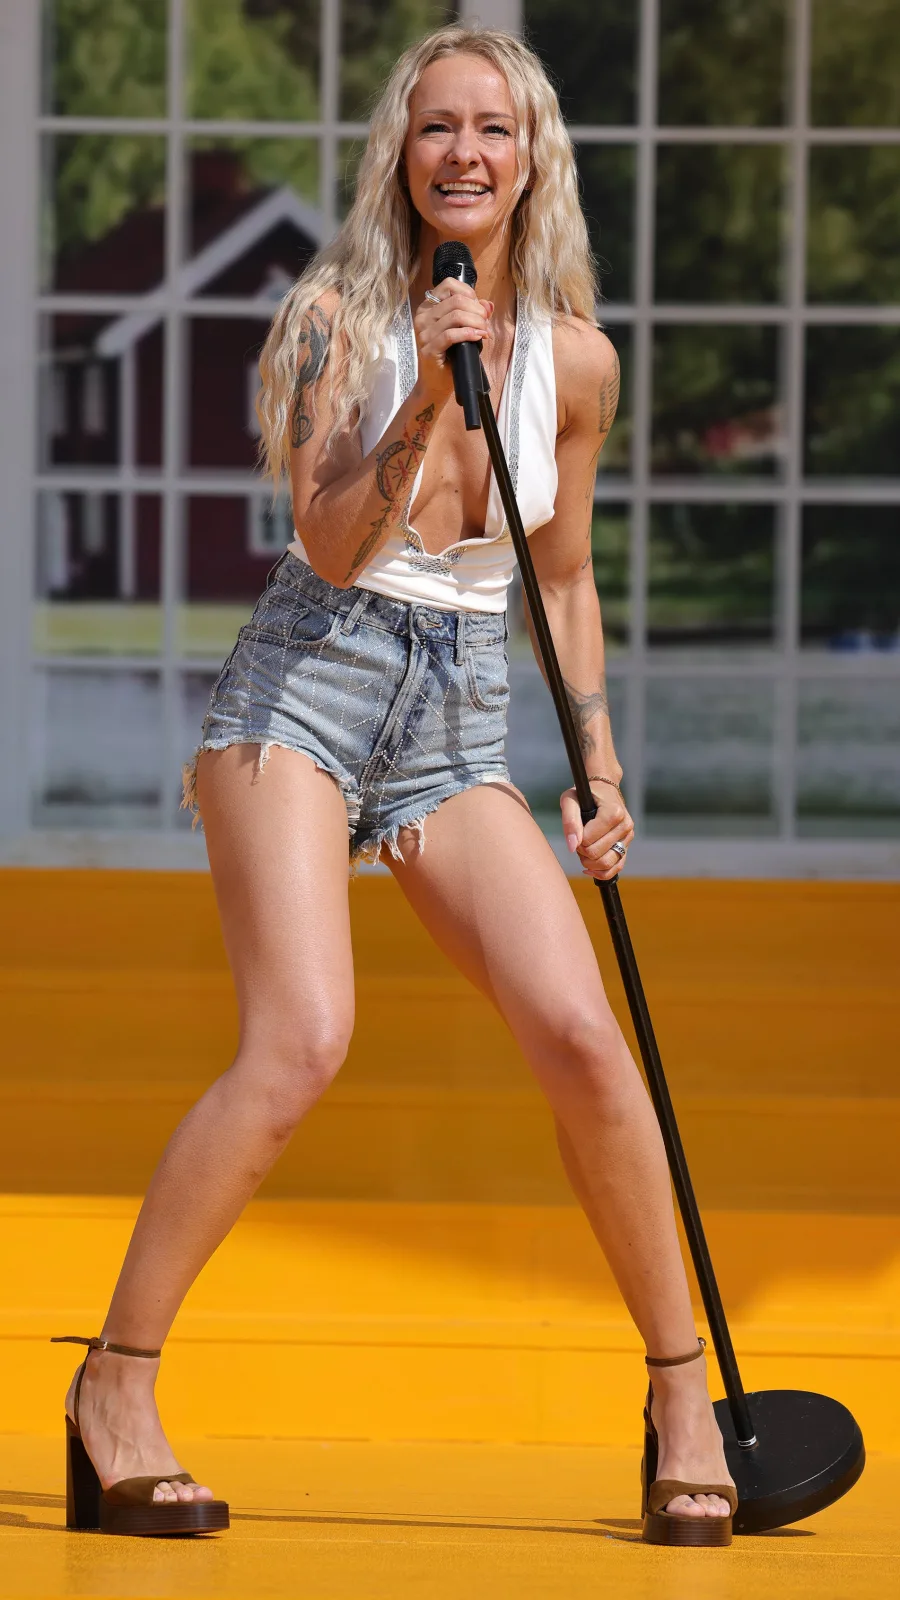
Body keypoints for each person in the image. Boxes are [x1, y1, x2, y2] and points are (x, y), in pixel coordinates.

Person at [56, 24, 736, 1546]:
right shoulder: (332, 321)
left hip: (460, 717)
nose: (465, 153)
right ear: (401, 155)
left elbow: (564, 578)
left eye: (494, 127)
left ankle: (683, 1399)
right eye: (438, 127)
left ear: (533, 155)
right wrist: (428, 388)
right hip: (306, 682)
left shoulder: (579, 363)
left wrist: (600, 762)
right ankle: (114, 1387)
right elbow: (327, 543)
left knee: (584, 1038)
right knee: (302, 1038)